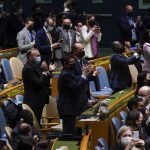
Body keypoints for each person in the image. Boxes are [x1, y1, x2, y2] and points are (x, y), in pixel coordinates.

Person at [57, 54, 92, 134]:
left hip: (74, 106)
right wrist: (83, 75)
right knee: (69, 132)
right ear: (65, 64)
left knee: (76, 131)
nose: (74, 64)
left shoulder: (70, 72)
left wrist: (86, 74)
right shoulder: (65, 75)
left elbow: (79, 81)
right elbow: (75, 88)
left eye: (74, 62)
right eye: (71, 62)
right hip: (68, 108)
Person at [22, 48, 56, 124]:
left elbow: (42, 78)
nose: (39, 57)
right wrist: (45, 71)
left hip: (39, 99)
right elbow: (39, 83)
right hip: (33, 101)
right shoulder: (28, 69)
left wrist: (49, 71)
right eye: (37, 55)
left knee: (38, 121)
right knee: (35, 123)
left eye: (39, 55)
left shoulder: (35, 65)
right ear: (30, 57)